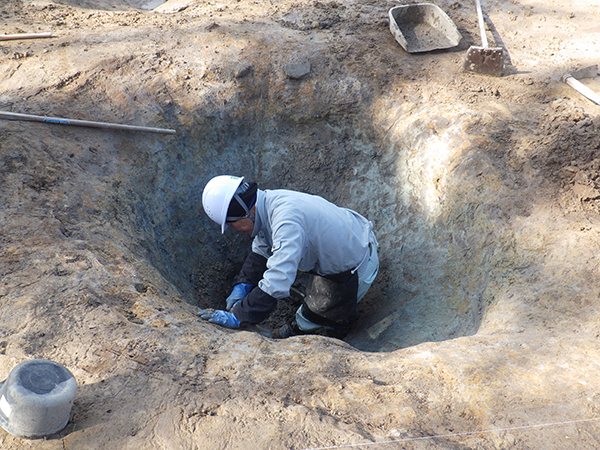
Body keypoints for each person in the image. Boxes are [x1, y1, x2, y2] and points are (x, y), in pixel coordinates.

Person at [198, 175, 379, 339]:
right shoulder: (268, 202)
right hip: (347, 236)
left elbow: (279, 278)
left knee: (311, 321)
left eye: (231, 224)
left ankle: (331, 329)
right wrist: (242, 284)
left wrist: (240, 316)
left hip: (354, 265)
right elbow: (263, 248)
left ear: (245, 214)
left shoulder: (286, 222)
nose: (234, 229)